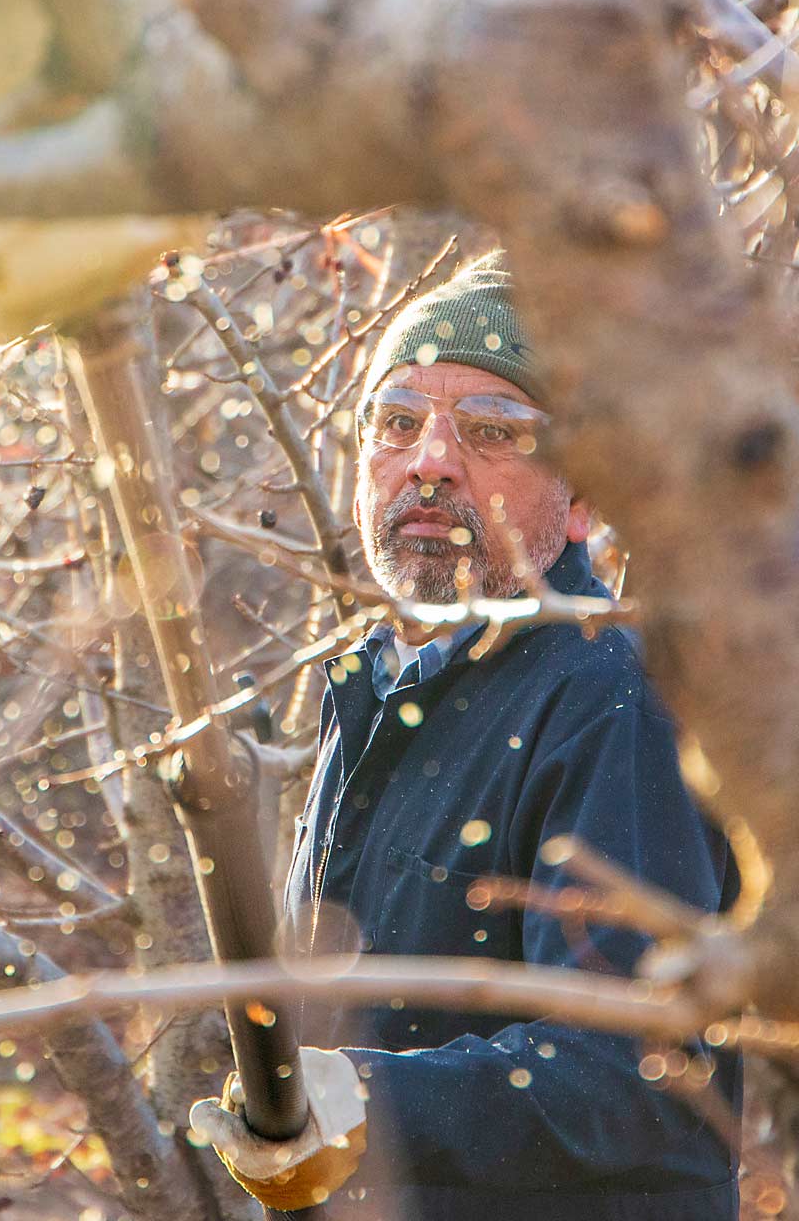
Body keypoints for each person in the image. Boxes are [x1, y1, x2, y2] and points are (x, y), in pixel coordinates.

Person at [191, 254, 741, 1220]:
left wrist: (359, 1098)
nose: (431, 462)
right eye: (397, 424)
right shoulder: (372, 681)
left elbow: (634, 1066)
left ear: (584, 497)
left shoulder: (619, 693)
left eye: (492, 434)